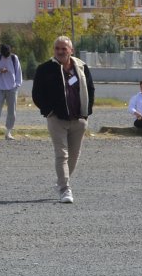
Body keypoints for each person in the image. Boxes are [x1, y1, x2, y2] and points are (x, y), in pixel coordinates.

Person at [32, 35, 95, 204]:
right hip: (56, 119)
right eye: (57, 48)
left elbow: (90, 89)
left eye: (64, 49)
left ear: (71, 50)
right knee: (62, 154)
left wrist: (86, 113)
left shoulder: (81, 67)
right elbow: (37, 94)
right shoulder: (44, 69)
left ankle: (61, 181)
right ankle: (65, 188)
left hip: (78, 119)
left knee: (74, 156)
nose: (60, 51)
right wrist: (49, 111)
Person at [0, 44, 23, 140]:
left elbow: (18, 72)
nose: (5, 56)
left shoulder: (14, 58)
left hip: (12, 88)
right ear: (1, 52)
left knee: (12, 111)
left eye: (7, 54)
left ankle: (8, 132)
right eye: (4, 54)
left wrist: (17, 85)